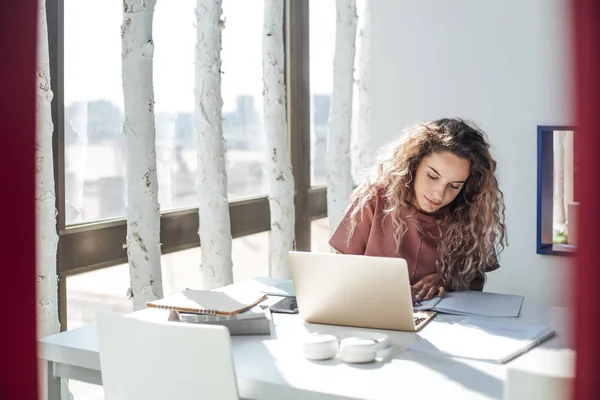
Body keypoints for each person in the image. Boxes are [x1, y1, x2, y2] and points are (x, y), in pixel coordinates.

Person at [329, 118, 507, 302]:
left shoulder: (469, 213)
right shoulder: (373, 198)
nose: (439, 194)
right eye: (432, 176)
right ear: (413, 165)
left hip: (443, 322)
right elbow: (342, 271)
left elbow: (475, 285)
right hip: (372, 313)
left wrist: (447, 281)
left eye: (454, 186)